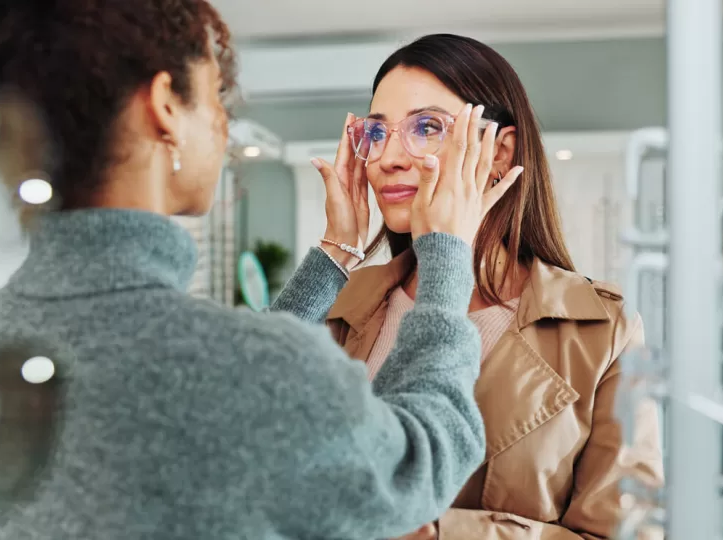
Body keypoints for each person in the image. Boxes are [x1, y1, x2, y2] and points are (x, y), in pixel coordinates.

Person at [0, 3, 519, 538]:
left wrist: (334, 255)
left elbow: (246, 380)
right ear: (166, 105)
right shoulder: (245, 366)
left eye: (426, 128)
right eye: (218, 100)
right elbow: (416, 462)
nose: (224, 129)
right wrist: (446, 254)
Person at [276, 34, 664, 539]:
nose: (389, 157)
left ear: (499, 151)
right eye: (377, 132)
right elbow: (239, 440)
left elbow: (628, 533)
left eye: (427, 127)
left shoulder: (603, 331)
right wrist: (336, 248)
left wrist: (433, 531)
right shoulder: (340, 307)